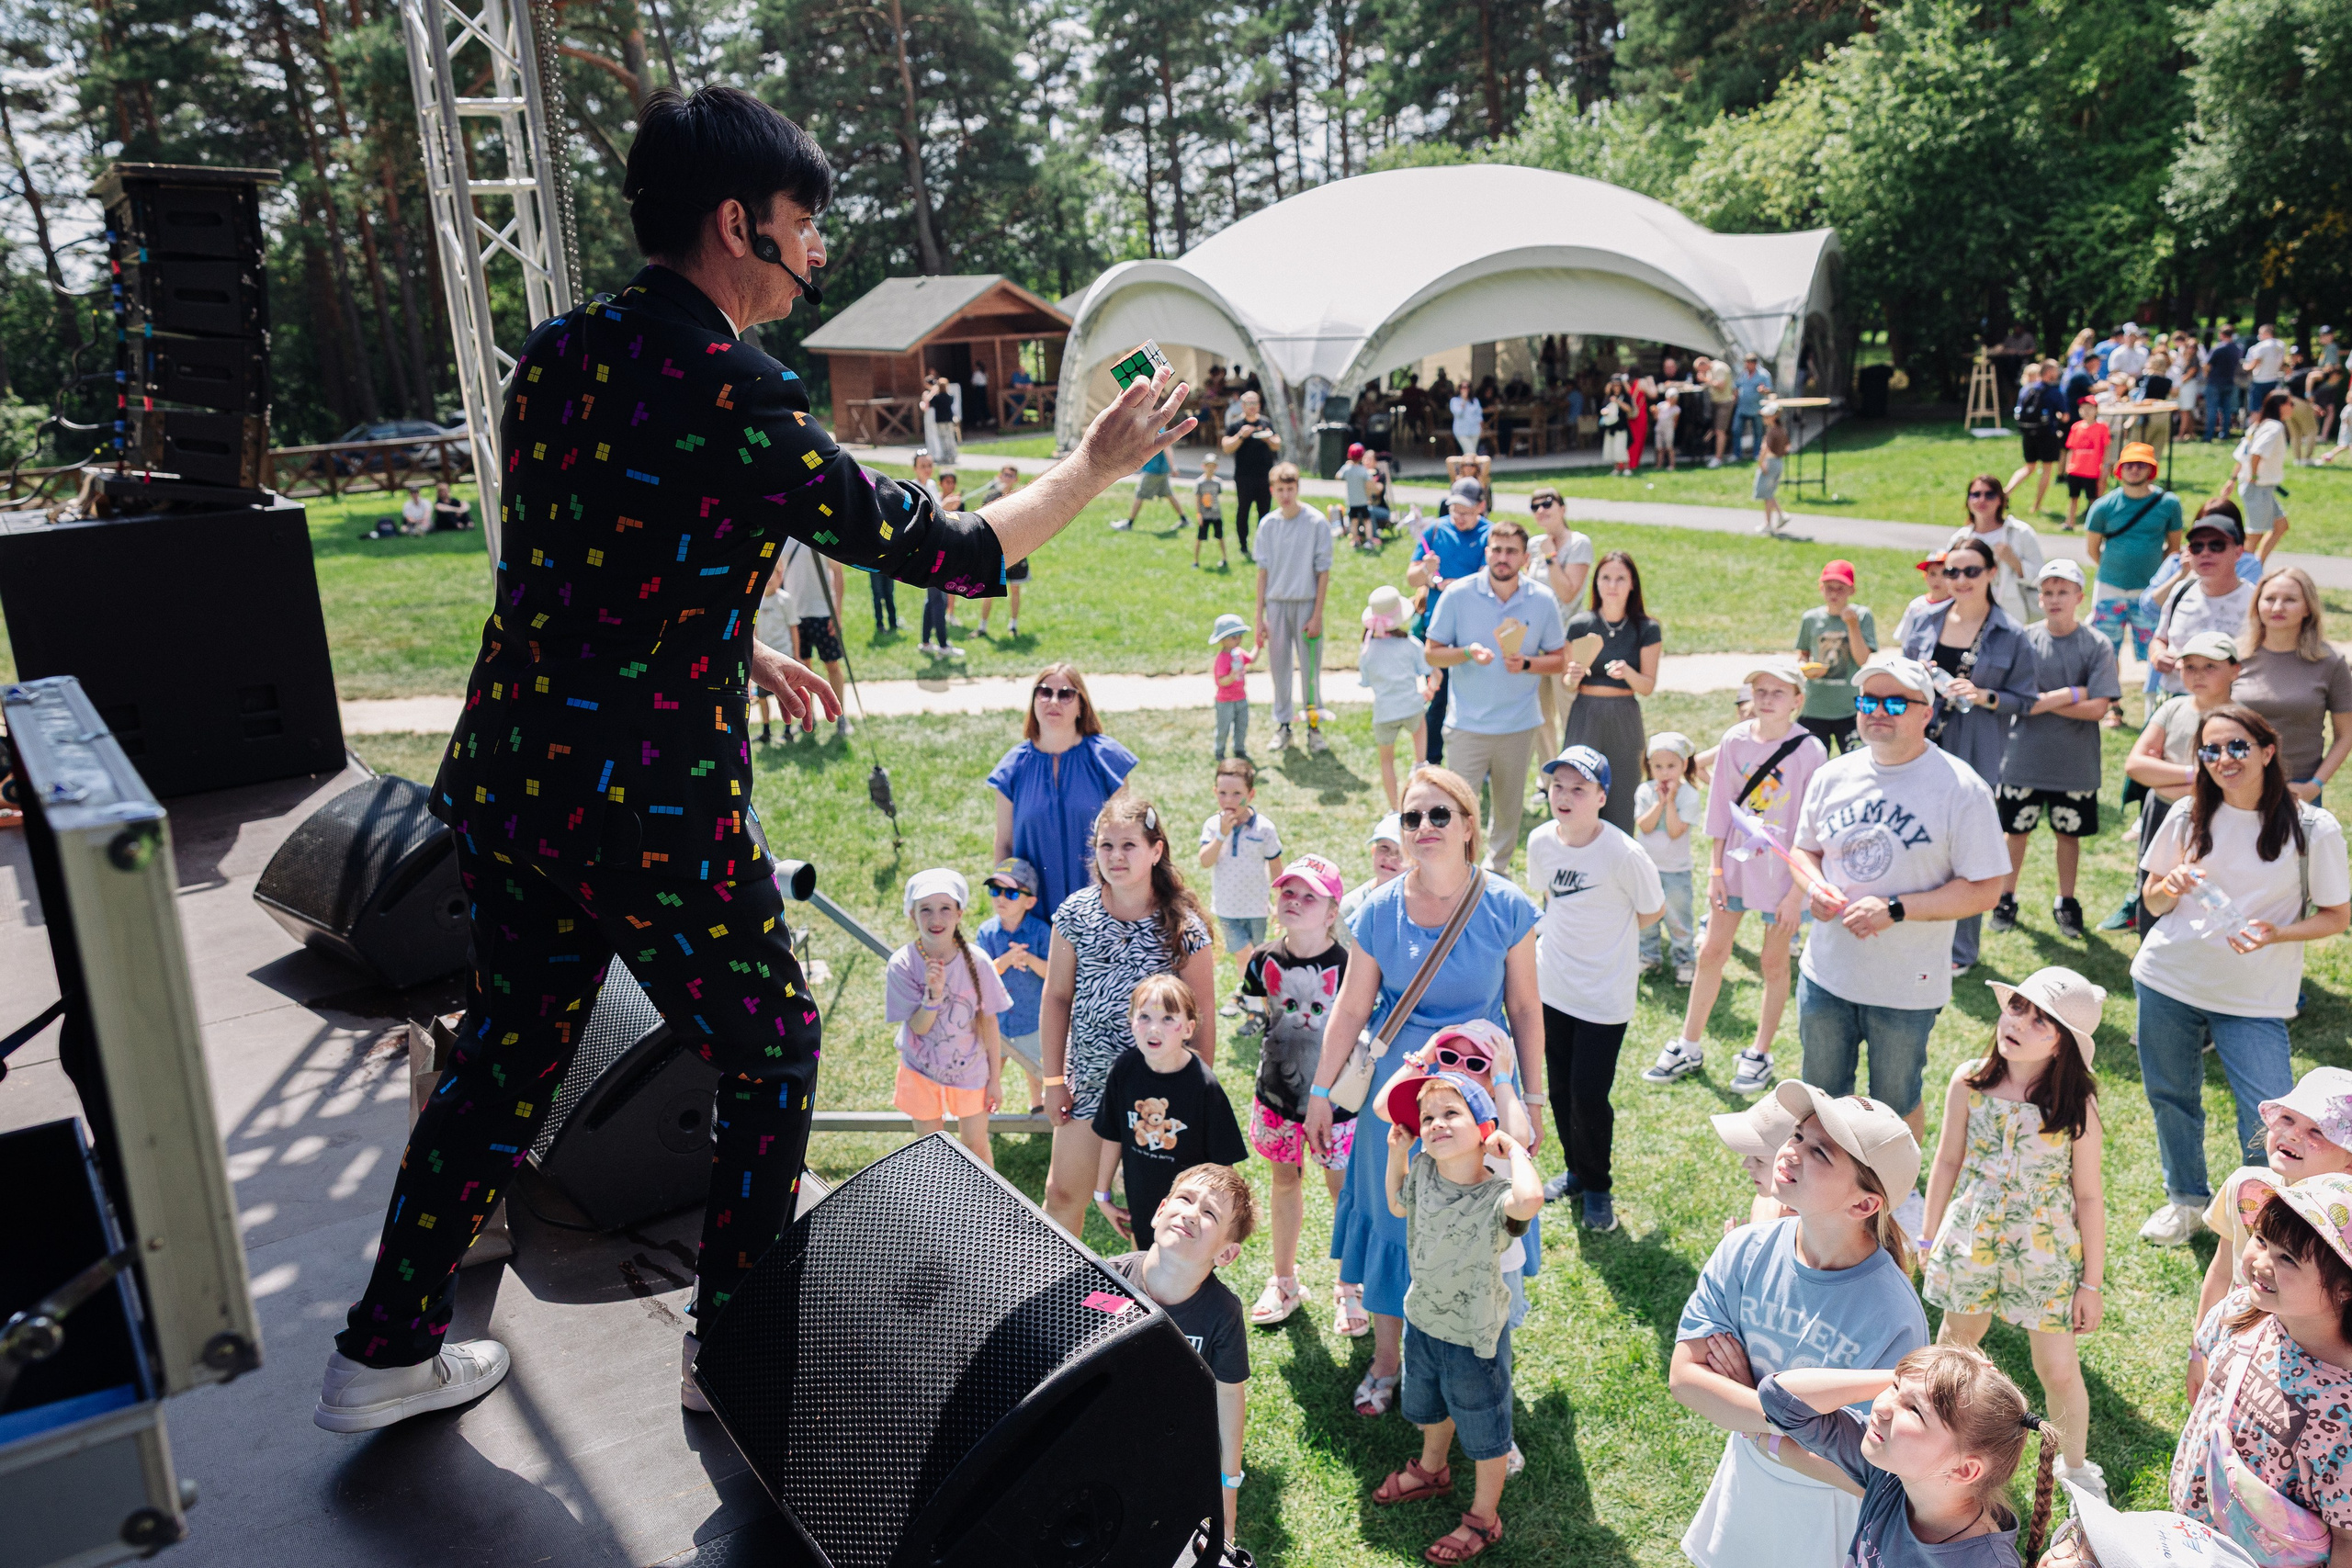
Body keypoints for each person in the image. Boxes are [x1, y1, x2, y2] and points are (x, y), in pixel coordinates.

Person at [314, 84, 1196, 1433]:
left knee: (506, 1051)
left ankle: (381, 1351)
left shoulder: (558, 350)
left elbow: (592, 568)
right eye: (805, 225)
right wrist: (1089, 462)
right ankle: (732, 1353)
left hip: (510, 778)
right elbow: (949, 554)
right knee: (774, 1042)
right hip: (645, 811)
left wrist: (729, 652)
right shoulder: (730, 386)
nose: (820, 252)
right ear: (741, 224)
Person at [1303, 767, 1544, 1421]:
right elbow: (1351, 1008)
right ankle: (1387, 1358)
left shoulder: (1508, 906)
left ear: (1469, 824)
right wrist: (1322, 1091)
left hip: (1480, 1088)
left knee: (1480, 1222)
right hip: (1400, 1093)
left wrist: (1536, 1098)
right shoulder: (1378, 910)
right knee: (1394, 1216)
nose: (1425, 828)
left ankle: (1479, 1347)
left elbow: (1524, 1008)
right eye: (1411, 818)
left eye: (1440, 815)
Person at [1668, 1083, 1930, 1568]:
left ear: (1864, 1205)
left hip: (1822, 1522)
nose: (1790, 1152)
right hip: (1744, 1486)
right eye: (1796, 1135)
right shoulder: (1743, 1250)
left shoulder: (1895, 1317)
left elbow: (1867, 1467)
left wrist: (1748, 1404)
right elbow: (1685, 1380)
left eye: (1820, 1152)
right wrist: (1789, 1423)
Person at [2133, 705, 2352, 1247]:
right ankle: (2186, 1198)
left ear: (2267, 751)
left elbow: (2337, 916)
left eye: (2237, 747)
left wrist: (2276, 934)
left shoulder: (2312, 828)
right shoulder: (2187, 813)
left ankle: (2271, 1217)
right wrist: (2172, 885)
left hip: (2255, 997)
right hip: (2168, 978)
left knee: (2272, 1114)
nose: (2224, 759)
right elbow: (2152, 900)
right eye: (2211, 750)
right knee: (2170, 1094)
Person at [1790, 654, 2009, 1157]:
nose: (1876, 711)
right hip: (1826, 972)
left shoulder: (1961, 789)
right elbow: (1804, 851)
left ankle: (1896, 1190)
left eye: (1894, 702)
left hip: (1906, 986)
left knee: (1894, 1100)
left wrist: (1896, 909)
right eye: (1868, 700)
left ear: (1926, 713)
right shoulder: (1833, 775)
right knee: (1821, 1098)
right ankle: (1824, 1187)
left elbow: (1985, 889)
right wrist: (1814, 885)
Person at [1921, 967, 2109, 1500]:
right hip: (1972, 1239)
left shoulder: (2076, 1105)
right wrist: (1928, 1235)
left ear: (2063, 1047)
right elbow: (1947, 1159)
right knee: (1955, 1348)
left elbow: (2089, 1197)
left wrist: (2089, 1285)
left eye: (2040, 1021)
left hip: (2044, 1251)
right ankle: (1937, 1443)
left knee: (2056, 1367)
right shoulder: (1969, 1081)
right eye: (2017, 1008)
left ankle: (2076, 1468)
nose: (2019, 1023)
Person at [1371, 1072, 1543, 1564]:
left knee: (1485, 1429)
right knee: (1432, 1407)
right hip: (1423, 1321)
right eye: (1428, 1118)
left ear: (1484, 1128)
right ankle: (1432, 1470)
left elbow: (1530, 1201)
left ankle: (1485, 1518)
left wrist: (1516, 1151)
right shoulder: (1422, 1169)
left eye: (1452, 1113)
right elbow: (1396, 1204)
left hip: (1474, 1339)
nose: (1436, 1124)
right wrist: (1396, 1153)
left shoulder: (1499, 1194)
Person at [1038, 790, 1216, 1235]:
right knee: (1061, 1195)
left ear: (1156, 851)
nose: (1115, 856)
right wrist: (1053, 1081)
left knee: (1150, 1214)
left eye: (1129, 845)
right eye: (1106, 846)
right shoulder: (1075, 915)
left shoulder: (1183, 929)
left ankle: (1155, 1300)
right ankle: (1054, 1295)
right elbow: (1057, 996)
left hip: (1155, 1098)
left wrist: (1194, 1094)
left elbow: (1204, 1017)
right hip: (1089, 1085)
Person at [1649, 658, 1827, 1096]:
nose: (1766, 700)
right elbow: (1721, 809)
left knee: (1772, 961)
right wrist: (1715, 870)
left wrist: (1794, 895)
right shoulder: (1733, 740)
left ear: (1797, 701)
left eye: (1777, 692)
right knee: (1711, 951)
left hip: (1783, 878)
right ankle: (1688, 1044)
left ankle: (1759, 1053)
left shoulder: (1810, 751)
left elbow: (1811, 826)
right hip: (1735, 869)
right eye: (1760, 692)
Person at [1713, 1348, 2060, 1568]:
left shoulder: (1984, 1563)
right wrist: (1913, 1378)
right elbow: (1780, 1398)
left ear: (1965, 1469)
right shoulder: (1891, 1475)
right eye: (1894, 1389)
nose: (1880, 1406)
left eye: (1914, 1410)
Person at [2172, 1172, 2352, 1551]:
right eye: (2260, 1239)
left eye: (2287, 1258)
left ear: (2344, 1289)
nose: (2260, 1262)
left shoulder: (2344, 1409)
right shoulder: (2242, 1310)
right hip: (2192, 1528)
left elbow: (2346, 1539)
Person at [1526, 744, 1666, 1229]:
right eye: (1557, 786)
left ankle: (1599, 1187)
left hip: (1604, 995)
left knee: (1589, 1094)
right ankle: (1576, 1172)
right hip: (1552, 985)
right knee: (1559, 1089)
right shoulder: (1541, 841)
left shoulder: (1624, 853)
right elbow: (1549, 898)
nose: (1564, 797)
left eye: (1579, 789)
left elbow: (1653, 911)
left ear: (1602, 796)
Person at [1902, 536, 2038, 973]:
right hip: (1918, 745)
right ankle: (1913, 927)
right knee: (1914, 838)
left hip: (1975, 750)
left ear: (1991, 574)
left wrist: (1984, 696)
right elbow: (1899, 677)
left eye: (1971, 571)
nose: (1959, 580)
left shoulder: (2011, 633)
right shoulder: (1924, 619)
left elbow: (2026, 699)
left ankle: (1960, 951)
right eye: (1951, 571)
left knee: (1966, 847)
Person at [1103, 1163, 1255, 1548]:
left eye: (1209, 1213)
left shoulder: (1222, 1313)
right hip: (1099, 1435)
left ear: (1227, 1253)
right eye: (1185, 1199)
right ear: (1159, 1211)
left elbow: (1228, 1395)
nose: (1191, 1213)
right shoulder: (1105, 1280)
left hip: (1170, 1451)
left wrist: (1228, 1488)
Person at [1237, 855, 1352, 1328]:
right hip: (1278, 1098)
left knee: (1341, 1189)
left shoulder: (1349, 966)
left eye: (1311, 897)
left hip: (1337, 1104)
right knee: (1284, 1181)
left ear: (1332, 912)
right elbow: (1263, 1016)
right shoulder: (1262, 959)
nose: (1296, 902)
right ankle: (1284, 1281)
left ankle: (1352, 1284)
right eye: (1289, 892)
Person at [1424, 518, 1567, 872]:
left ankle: (1497, 873)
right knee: (1457, 810)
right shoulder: (1459, 595)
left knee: (1508, 811)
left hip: (1518, 726)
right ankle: (1456, 874)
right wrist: (1467, 653)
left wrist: (1529, 664)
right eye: (1497, 550)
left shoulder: (1542, 600)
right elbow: (1432, 652)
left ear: (1524, 559)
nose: (1502, 558)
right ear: (1487, 553)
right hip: (1467, 725)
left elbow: (1561, 658)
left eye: (1511, 551)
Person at [1990, 560, 2120, 941]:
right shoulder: (2024, 639)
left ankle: (2066, 901)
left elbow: (2099, 708)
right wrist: (2072, 693)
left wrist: (2044, 701)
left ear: (2080, 597)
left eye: (2063, 591)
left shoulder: (2096, 644)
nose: (2054, 599)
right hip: (2022, 759)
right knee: (2015, 833)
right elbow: (2015, 700)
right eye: (2047, 592)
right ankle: (2005, 897)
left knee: (2069, 836)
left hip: (2074, 763)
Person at [2192, 1068, 2352, 1366]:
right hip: (2239, 1336)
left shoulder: (2346, 1224)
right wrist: (2197, 1351)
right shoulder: (2245, 1186)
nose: (2291, 1133)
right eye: (2287, 1118)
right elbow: (2221, 1272)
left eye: (2318, 1131)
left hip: (2311, 1364)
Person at [1092, 976, 1247, 1246]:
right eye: (1144, 1017)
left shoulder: (1203, 1086)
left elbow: (1224, 1168)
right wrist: (1102, 1195)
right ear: (1131, 1022)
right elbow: (1112, 1134)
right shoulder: (1124, 1070)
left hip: (1189, 1219)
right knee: (1144, 1270)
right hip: (1141, 1204)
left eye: (1167, 1019)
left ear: (1188, 1029)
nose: (1154, 1028)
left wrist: (1221, 1226)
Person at [2106, 629, 2241, 933]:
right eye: (2190, 666)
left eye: (2210, 666)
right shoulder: (2171, 708)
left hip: (2214, 816)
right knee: (2153, 881)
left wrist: (2163, 774)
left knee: (2205, 884)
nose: (2198, 675)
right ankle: (2151, 946)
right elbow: (2135, 765)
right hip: (2162, 811)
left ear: (2235, 669)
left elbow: (2232, 783)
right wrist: (2197, 774)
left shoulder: (2242, 721)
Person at [989, 664, 1139, 918]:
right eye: (1044, 692)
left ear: (1081, 705)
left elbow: (1126, 838)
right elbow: (1004, 843)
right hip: (1034, 912)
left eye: (1066, 694)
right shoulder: (1012, 768)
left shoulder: (1107, 760)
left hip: (1100, 907)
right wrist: (1007, 906)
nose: (1053, 701)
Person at [886, 867, 1011, 1166]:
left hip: (970, 1071)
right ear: (912, 915)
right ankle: (938, 1211)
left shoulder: (978, 963)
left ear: (960, 913)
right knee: (930, 1153)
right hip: (921, 1071)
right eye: (925, 910)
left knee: (976, 1146)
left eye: (945, 908)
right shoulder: (902, 964)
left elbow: (990, 1023)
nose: (936, 919)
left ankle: (986, 1209)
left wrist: (995, 1080)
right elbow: (917, 1026)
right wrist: (932, 996)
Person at [1562, 549, 1664, 839]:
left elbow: (1647, 686)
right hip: (1586, 713)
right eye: (1605, 577)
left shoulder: (1646, 628)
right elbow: (1568, 683)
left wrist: (1628, 673)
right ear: (1596, 583)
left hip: (1624, 716)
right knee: (1578, 787)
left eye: (1621, 578)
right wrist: (1573, 676)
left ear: (1632, 584)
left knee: (1622, 795)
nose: (1612, 585)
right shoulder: (1581, 624)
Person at [2233, 566, 2352, 802]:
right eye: (2269, 599)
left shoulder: (2330, 663)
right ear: (2257, 604)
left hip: (2298, 790)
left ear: (2308, 608)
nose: (2278, 607)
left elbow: (2346, 734)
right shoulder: (2234, 656)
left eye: (2290, 600)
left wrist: (2315, 785)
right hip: (2236, 785)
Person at [2084, 442, 2184, 692]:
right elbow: (2092, 548)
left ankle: (2155, 701)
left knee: (2155, 648)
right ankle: (2112, 705)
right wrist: (2116, 568)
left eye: (2141, 465)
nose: (2134, 470)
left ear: (2151, 470)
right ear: (2119, 470)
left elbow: (2173, 550)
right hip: (2109, 587)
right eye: (2129, 465)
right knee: (2106, 650)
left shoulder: (2169, 504)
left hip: (2150, 593)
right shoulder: (2104, 506)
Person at [1408, 478, 1494, 765]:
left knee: (1475, 700)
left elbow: (1487, 579)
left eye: (1466, 512)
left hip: (1474, 630)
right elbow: (1411, 577)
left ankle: (1479, 762)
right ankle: (1431, 761)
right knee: (1437, 699)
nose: (1458, 517)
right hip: (1439, 629)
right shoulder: (1434, 529)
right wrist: (1427, 572)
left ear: (1481, 507)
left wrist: (1448, 584)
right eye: (1454, 510)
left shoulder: (1489, 535)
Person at [1252, 463, 1334, 753]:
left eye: (1290, 489)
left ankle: (1313, 727)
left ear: (1297, 489)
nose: (1285, 495)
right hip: (1276, 605)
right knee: (1279, 669)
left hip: (1306, 604)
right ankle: (1284, 725)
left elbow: (1323, 572)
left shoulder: (1315, 522)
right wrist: (1258, 618)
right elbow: (1262, 573)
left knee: (1310, 670)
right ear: (1272, 491)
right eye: (1280, 490)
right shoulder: (1268, 525)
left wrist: (1317, 615)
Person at [1198, 758, 1283, 1005]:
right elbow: (1205, 861)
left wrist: (1279, 901)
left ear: (1251, 794)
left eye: (1237, 794)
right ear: (1215, 792)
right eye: (1223, 793)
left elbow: (1276, 867)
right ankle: (1256, 1005)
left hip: (1256, 907)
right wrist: (1221, 835)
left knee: (1257, 956)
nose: (1229, 800)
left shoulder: (1264, 829)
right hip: (1226, 908)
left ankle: (1251, 992)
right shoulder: (1212, 826)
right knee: (1243, 954)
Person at [2149, 504, 2257, 699]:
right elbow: (2160, 639)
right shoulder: (2181, 591)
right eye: (2196, 547)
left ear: (2238, 552)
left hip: (2230, 704)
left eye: (2216, 545)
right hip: (2174, 697)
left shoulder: (2255, 601)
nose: (2205, 553)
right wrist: (2158, 655)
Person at [975, 857, 1053, 1115]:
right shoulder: (986, 933)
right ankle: (987, 1107)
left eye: (1010, 893)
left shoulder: (1041, 932)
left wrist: (1028, 959)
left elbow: (1051, 973)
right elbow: (982, 975)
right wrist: (1007, 961)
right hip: (996, 1020)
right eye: (995, 891)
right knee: (992, 1065)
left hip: (1030, 1017)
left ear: (1029, 901)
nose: (1001, 898)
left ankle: (1037, 1105)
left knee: (1033, 1065)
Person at [1634, 732, 1704, 983]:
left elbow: (1676, 831)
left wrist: (1671, 802)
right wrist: (1659, 803)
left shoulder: (1689, 796)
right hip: (1647, 869)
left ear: (1684, 765)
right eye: (1658, 767)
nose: (1664, 773)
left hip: (1675, 870)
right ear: (1649, 767)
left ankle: (1684, 959)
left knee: (1678, 917)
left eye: (1671, 766)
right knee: (1646, 916)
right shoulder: (1644, 791)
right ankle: (1649, 956)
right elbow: (1645, 826)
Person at [1361, 583, 1432, 809]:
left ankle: (1394, 809)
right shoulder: (1410, 644)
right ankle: (1420, 770)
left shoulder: (1367, 650)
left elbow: (1366, 681)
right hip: (1412, 707)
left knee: (1386, 762)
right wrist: (1429, 689)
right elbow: (1428, 670)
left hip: (1384, 712)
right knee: (1420, 741)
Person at [1796, 559, 1878, 755]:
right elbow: (1803, 654)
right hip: (1815, 706)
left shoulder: (1862, 616)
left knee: (1856, 762)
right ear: (1820, 588)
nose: (1834, 593)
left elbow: (1862, 660)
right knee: (1810, 764)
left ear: (1852, 590)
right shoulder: (1811, 619)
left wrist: (1852, 625)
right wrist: (1806, 668)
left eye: (1840, 588)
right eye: (1828, 587)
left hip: (1848, 708)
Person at [777, 534, 854, 740]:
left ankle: (841, 717)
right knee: (802, 669)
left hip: (822, 613)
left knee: (832, 666)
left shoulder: (823, 534)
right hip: (795, 616)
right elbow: (778, 574)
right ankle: (809, 719)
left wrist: (837, 614)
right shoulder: (783, 536)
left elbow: (838, 573)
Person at [1959, 473, 2045, 624]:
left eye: (1990, 495)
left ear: (2001, 500)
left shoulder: (2020, 532)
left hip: (2011, 616)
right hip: (1970, 617)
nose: (1982, 500)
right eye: (1976, 494)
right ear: (1967, 500)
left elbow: (2041, 577)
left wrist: (2015, 563)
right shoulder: (1960, 539)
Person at [2225, 389, 2293, 561]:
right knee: (2254, 534)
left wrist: (2232, 480)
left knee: (2281, 526)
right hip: (2258, 488)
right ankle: (2244, 570)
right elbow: (2256, 453)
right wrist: (2254, 476)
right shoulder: (2274, 428)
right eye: (2290, 404)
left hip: (2260, 488)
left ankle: (2257, 564)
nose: (2293, 407)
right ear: (2280, 406)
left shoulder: (2258, 425)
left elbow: (2242, 456)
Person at [1222, 389, 1281, 557]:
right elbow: (1226, 446)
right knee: (1243, 511)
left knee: (1265, 512)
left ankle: (1263, 545)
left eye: (1255, 403)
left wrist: (1268, 438)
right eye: (1249, 403)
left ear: (1259, 405)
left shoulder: (1266, 423)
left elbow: (1277, 444)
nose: (1252, 407)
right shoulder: (1236, 425)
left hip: (1265, 476)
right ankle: (1243, 545)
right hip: (1244, 476)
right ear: (1242, 406)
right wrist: (1241, 436)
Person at [1339, 812, 1408, 944]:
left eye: (1401, 853)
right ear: (1373, 851)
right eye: (1384, 848)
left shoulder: (1423, 906)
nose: (1390, 857)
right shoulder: (1349, 909)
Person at [2007, 361, 2065, 513]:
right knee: (2047, 469)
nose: (2058, 373)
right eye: (2055, 371)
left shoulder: (2026, 388)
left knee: (2029, 467)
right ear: (2048, 373)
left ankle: (2006, 492)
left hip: (2028, 433)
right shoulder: (2053, 391)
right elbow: (2065, 416)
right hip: (2047, 435)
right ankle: (2036, 506)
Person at [973, 464, 1023, 636]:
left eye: (1011, 476)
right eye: (1005, 475)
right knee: (989, 589)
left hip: (1015, 549)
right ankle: (982, 627)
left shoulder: (1020, 498)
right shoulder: (991, 497)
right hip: (995, 551)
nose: (1007, 478)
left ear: (1015, 480)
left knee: (1015, 588)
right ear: (999, 476)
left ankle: (1013, 625)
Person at [751, 558, 792, 743]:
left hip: (784, 654)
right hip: (764, 659)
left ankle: (788, 729)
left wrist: (796, 654)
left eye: (772, 573)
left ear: (780, 574)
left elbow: (793, 628)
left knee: (783, 696)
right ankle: (766, 730)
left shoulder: (784, 600)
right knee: (762, 697)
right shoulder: (755, 601)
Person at [1206, 612, 1254, 763]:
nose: (1239, 640)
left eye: (1240, 636)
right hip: (1225, 701)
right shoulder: (1222, 659)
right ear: (1222, 640)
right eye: (1234, 637)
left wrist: (1259, 645)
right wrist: (1232, 676)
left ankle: (1239, 749)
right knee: (1223, 727)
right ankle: (1219, 750)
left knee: (1242, 725)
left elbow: (1251, 659)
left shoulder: (1239, 653)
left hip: (1241, 697)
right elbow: (1221, 682)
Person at [2060, 400, 2110, 531]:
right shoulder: (2076, 427)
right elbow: (2071, 448)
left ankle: (2094, 525)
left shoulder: (2102, 427)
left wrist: (2105, 466)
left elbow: (2106, 448)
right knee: (2073, 497)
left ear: (2096, 410)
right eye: (2083, 408)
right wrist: (2068, 466)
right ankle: (2070, 522)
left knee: (2093, 499)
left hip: (2092, 470)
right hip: (2075, 469)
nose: (2086, 411)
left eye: (2090, 408)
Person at [1119, 445, 1191, 532]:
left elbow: (1167, 449)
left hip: (1153, 471)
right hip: (1161, 470)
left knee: (1140, 495)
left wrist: (1172, 467)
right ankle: (1184, 519)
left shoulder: (1159, 431)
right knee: (1169, 494)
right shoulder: (1159, 430)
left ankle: (1129, 524)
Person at [1894, 549, 1953, 649]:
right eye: (1932, 574)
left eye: (1944, 574)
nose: (1937, 580)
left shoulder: (1957, 605)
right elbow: (1904, 637)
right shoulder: (1916, 605)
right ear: (1925, 576)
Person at [1754, 404, 1792, 534]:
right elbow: (1788, 446)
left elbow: (1765, 448)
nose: (1764, 418)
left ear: (1773, 417)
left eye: (1766, 416)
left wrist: (1761, 463)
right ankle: (1781, 515)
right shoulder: (1781, 430)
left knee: (1766, 493)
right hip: (1778, 462)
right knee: (1769, 492)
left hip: (1770, 462)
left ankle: (1768, 524)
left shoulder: (1772, 431)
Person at [2203, 324, 2243, 442]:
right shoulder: (2237, 348)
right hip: (2230, 382)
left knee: (2212, 409)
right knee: (2226, 410)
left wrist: (2206, 376)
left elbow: (2207, 365)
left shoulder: (2218, 348)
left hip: (2215, 382)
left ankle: (2208, 436)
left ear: (2221, 334)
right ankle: (2225, 434)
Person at [1731, 353, 1771, 460]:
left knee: (1758, 433)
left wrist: (1763, 390)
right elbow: (1736, 385)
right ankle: (1737, 454)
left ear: (1754, 363)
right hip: (1741, 408)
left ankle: (1757, 454)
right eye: (1745, 363)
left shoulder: (1763, 374)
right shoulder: (1743, 374)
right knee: (1736, 430)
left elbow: (1769, 390)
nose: (1746, 365)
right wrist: (1734, 397)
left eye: (1748, 363)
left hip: (1756, 409)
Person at [1337, 441, 1376, 549]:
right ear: (1361, 456)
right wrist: (1369, 496)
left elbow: (1338, 476)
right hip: (1363, 501)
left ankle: (1355, 541)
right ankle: (1369, 540)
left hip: (1352, 501)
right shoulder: (1363, 470)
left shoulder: (1347, 469)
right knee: (1367, 520)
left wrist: (1346, 465)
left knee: (1353, 521)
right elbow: (1370, 483)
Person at [1194, 451, 1227, 570]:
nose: (1210, 468)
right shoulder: (1200, 483)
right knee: (1200, 538)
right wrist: (1199, 514)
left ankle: (1225, 559)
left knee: (1220, 536)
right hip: (1205, 515)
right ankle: (1196, 561)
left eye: (1213, 466)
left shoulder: (1218, 482)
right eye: (1208, 466)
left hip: (1216, 514)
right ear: (1204, 466)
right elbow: (1197, 499)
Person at [2245, 321, 2287, 412]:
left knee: (2256, 409)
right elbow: (2282, 363)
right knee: (2272, 409)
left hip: (2259, 381)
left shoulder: (2261, 346)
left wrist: (2244, 366)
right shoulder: (2281, 345)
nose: (2259, 337)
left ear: (2266, 333)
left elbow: (2253, 365)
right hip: (2274, 379)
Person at [1450, 381, 1486, 458]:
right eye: (1463, 387)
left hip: (1475, 430)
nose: (1465, 389)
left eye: (1467, 387)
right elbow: (1458, 413)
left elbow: (1479, 416)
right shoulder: (1455, 401)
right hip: (1461, 431)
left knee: (1471, 454)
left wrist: (1482, 430)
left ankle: (1471, 469)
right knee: (1470, 452)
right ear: (1459, 389)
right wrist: (1464, 400)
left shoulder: (1475, 401)